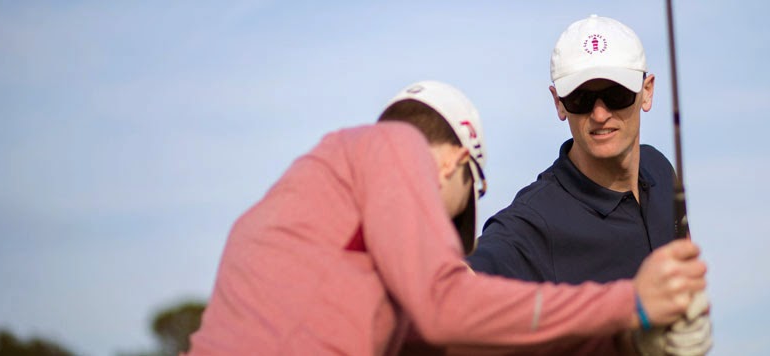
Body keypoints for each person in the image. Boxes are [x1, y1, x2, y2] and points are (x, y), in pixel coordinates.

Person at [186, 80, 707, 355]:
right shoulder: (390, 144)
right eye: (457, 209)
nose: (440, 234)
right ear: (455, 163)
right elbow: (449, 306)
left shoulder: (306, 219)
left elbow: (463, 339)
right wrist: (630, 305)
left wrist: (625, 342)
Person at [465, 15, 712, 354]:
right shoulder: (531, 222)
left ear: (647, 92)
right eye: (580, 98)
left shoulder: (659, 168)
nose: (599, 114)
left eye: (616, 94)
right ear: (559, 103)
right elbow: (455, 295)